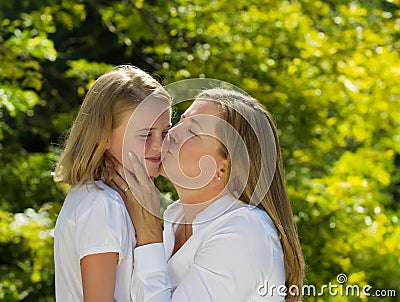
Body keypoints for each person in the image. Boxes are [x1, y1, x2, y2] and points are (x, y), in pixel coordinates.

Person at [110, 88, 305, 301]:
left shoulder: (244, 231)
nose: (172, 133)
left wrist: (149, 237)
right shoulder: (176, 219)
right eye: (182, 120)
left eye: (193, 132)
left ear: (225, 168)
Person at [53, 65, 171, 301]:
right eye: (146, 134)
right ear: (103, 136)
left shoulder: (101, 197)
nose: (159, 145)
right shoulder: (102, 205)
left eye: (165, 133)